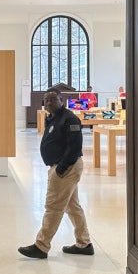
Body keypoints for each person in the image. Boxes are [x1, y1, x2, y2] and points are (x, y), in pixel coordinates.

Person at [18, 89, 93, 259]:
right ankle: (84, 243)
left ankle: (41, 245)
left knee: (53, 206)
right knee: (72, 206)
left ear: (62, 100)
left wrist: (61, 168)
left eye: (53, 99)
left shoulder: (69, 119)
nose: (49, 103)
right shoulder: (53, 118)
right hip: (60, 166)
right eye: (46, 100)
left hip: (66, 168)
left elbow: (75, 147)